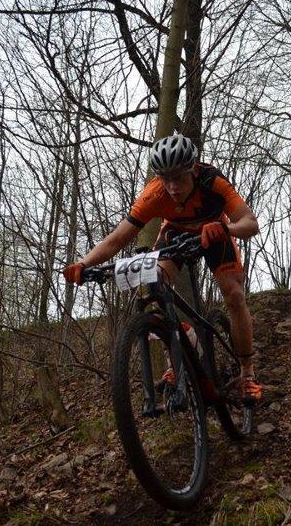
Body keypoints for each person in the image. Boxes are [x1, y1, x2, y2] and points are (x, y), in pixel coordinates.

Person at [62, 133, 262, 402]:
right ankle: (179, 345)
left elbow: (250, 223)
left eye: (178, 177)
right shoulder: (154, 193)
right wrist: (84, 263)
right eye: (165, 178)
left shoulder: (212, 181)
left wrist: (227, 229)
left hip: (214, 232)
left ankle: (247, 373)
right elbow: (117, 239)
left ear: (193, 169)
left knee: (234, 295)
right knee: (155, 280)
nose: (172, 187)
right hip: (176, 233)